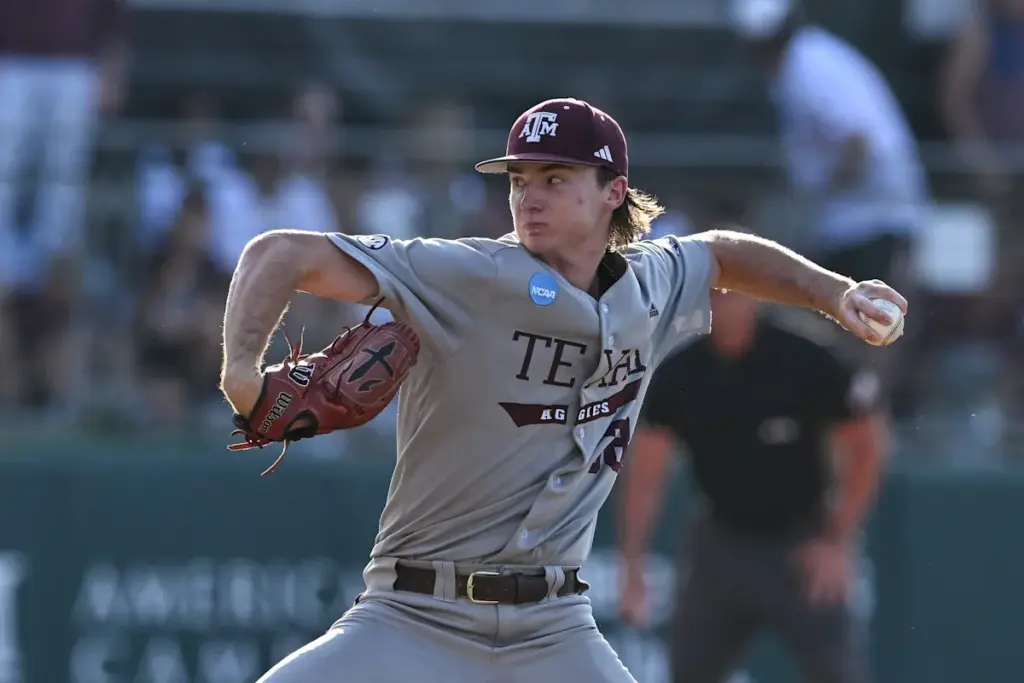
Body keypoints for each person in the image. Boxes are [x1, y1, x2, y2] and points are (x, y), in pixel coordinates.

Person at [218, 96, 906, 683]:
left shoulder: (649, 285)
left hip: (553, 627)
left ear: (613, 191)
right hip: (415, 613)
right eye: (519, 179)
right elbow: (279, 252)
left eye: (554, 177)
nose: (529, 196)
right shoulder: (469, 275)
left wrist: (836, 294)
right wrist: (241, 373)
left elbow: (722, 253)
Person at [617, 288, 890, 683]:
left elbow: (867, 444)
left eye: (732, 293)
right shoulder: (680, 372)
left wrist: (838, 539)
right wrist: (633, 563)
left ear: (755, 295)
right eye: (712, 294)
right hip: (720, 541)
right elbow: (645, 472)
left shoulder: (804, 355)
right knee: (689, 674)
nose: (721, 303)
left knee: (838, 673)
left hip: (802, 543)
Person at [729, 0, 926, 416]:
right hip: (845, 221)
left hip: (873, 218)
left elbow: (859, 143)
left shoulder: (811, 67)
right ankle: (838, 413)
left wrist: (816, 195)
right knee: (826, 315)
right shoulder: (798, 63)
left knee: (872, 321)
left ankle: (865, 417)